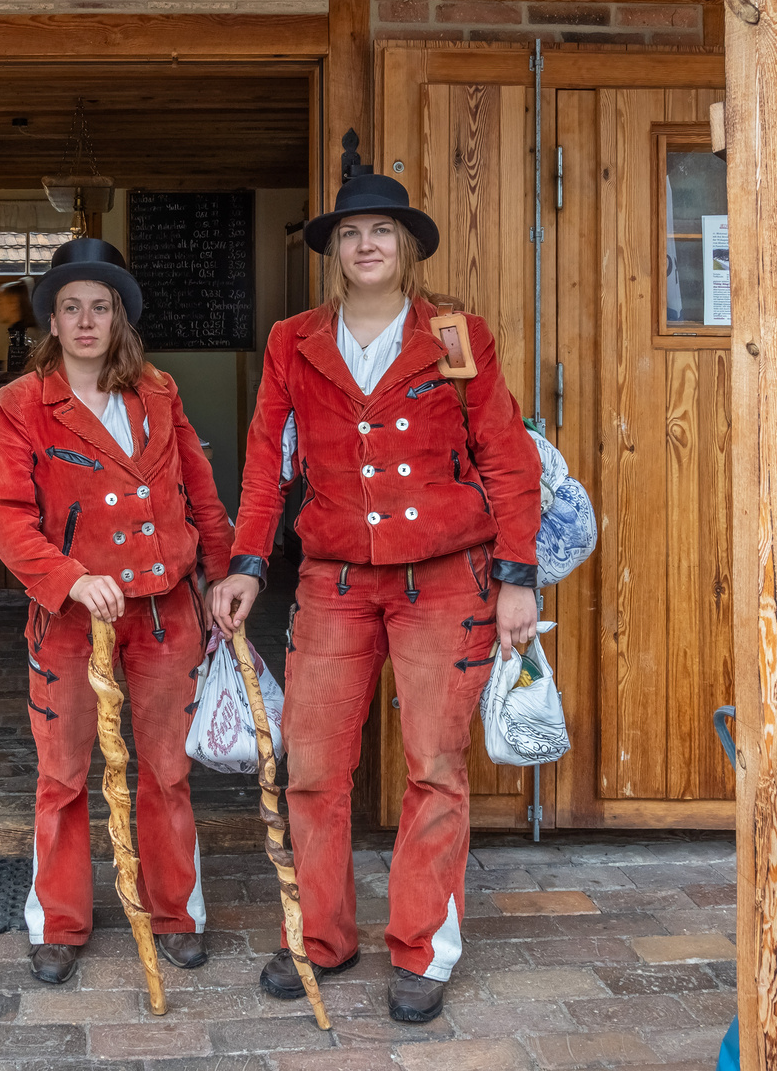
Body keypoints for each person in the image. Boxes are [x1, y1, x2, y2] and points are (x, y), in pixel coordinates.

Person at [210, 174, 542, 1023]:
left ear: (408, 247)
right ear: (331, 251)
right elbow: (265, 459)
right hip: (335, 583)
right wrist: (248, 561)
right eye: (350, 232)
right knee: (314, 767)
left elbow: (506, 457)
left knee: (434, 764)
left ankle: (424, 948)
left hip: (446, 580)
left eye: (382, 232)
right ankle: (319, 937)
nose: (365, 245)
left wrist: (517, 576)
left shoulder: (456, 336)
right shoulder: (293, 341)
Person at [0, 237, 232, 985]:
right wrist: (66, 576)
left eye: (100, 306)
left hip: (167, 613)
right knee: (63, 775)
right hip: (69, 620)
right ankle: (58, 923)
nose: (86, 321)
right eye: (71, 308)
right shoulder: (21, 404)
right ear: (51, 323)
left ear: (119, 318)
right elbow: (5, 514)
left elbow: (202, 490)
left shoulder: (159, 389)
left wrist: (222, 577)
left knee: (165, 769)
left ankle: (176, 912)